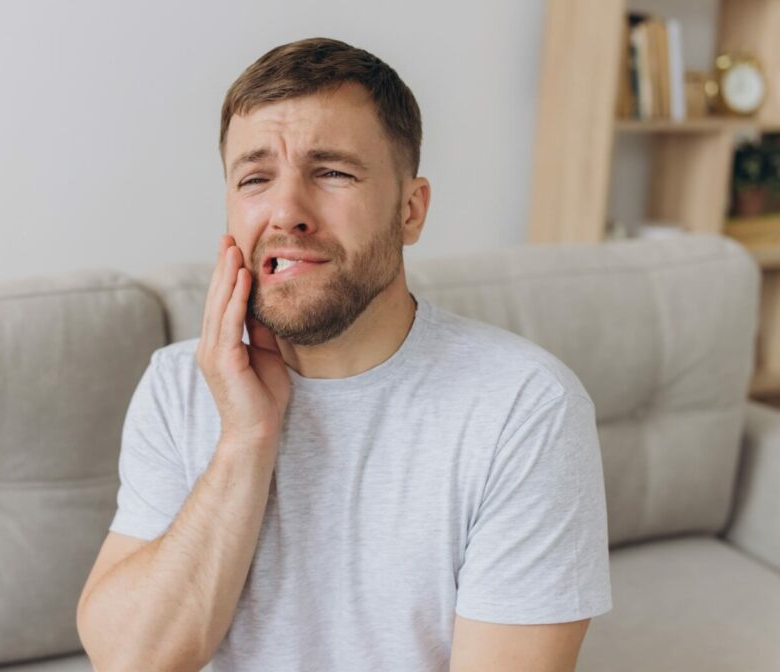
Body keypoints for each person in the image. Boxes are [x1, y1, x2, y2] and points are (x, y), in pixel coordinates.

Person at [77, 36, 612, 671]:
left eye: (331, 172)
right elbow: (130, 659)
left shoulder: (521, 407)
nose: (286, 212)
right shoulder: (179, 385)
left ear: (410, 211)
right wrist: (246, 439)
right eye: (255, 178)